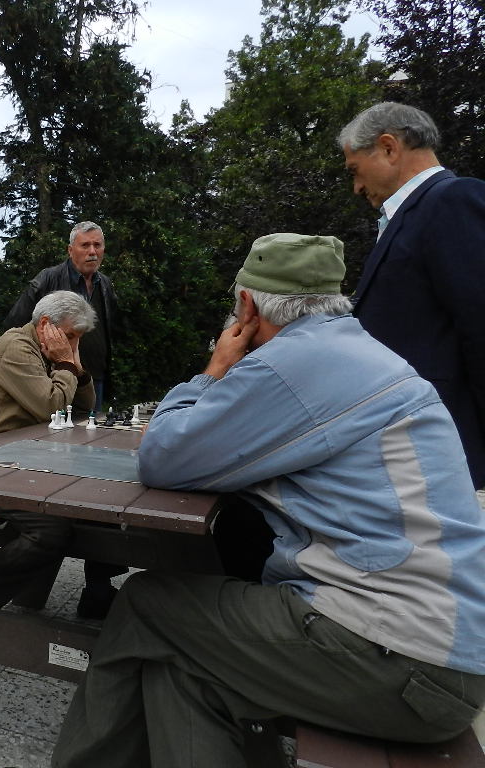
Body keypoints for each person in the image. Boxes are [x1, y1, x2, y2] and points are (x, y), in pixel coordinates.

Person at [52, 233, 485, 768]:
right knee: (183, 663)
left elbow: (163, 456)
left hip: (397, 654)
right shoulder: (361, 353)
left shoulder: (290, 365)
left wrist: (214, 370)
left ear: (248, 306)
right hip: (446, 652)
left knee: (146, 603)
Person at [338, 101, 485, 488]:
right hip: (420, 447)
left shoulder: (453, 200)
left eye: (355, 170)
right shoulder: (415, 214)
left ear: (388, 147)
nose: (356, 187)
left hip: (448, 447)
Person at [0, 291, 119, 618]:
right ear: (46, 324)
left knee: (104, 499)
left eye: (78, 338)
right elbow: (52, 407)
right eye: (70, 336)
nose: (73, 345)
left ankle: (98, 591)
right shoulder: (17, 348)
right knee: (51, 530)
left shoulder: (48, 350)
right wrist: (64, 364)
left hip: (25, 457)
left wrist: (77, 368)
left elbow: (83, 408)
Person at [5, 221, 118, 411]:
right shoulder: (47, 279)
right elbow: (14, 325)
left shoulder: (105, 284)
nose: (92, 251)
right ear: (70, 250)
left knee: (89, 428)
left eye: (97, 245)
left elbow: (111, 329)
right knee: (51, 427)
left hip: (91, 377)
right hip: (52, 376)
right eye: (85, 245)